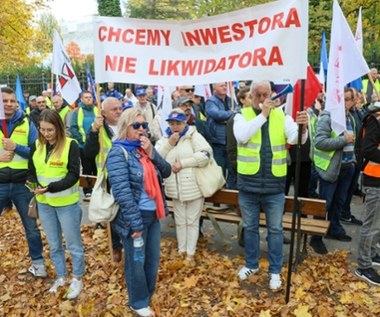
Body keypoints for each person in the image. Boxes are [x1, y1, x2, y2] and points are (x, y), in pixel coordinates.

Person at [233, 81, 308, 290]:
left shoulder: (282, 116)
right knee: (250, 228)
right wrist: (263, 116)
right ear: (251, 95)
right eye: (258, 94)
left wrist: (304, 128)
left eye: (266, 94)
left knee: (275, 230)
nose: (262, 98)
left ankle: (275, 270)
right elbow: (242, 135)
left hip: (274, 186)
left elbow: (296, 138)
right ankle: (251, 264)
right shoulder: (242, 115)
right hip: (248, 185)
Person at [106, 108, 171, 317]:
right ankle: (138, 301)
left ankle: (147, 294)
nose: (142, 129)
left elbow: (167, 171)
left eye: (144, 125)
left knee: (152, 259)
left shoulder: (145, 149)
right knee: (136, 261)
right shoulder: (118, 152)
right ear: (125, 127)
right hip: (135, 217)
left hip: (153, 214)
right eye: (137, 125)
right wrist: (134, 224)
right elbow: (122, 191)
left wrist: (152, 153)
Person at [27, 109, 84, 298]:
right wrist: (31, 182)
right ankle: (61, 276)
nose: (46, 134)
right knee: (54, 244)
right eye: (42, 129)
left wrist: (50, 187)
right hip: (44, 203)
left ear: (58, 127)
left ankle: (77, 278)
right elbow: (32, 170)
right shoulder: (37, 145)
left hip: (66, 203)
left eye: (50, 130)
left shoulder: (70, 145)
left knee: (73, 244)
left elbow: (74, 175)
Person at [0, 87, 46, 277]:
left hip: (22, 184)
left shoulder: (27, 122)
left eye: (12, 101)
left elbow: (37, 151)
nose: (9, 104)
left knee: (31, 227)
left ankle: (38, 264)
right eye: (5, 101)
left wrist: (16, 147)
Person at [156, 108, 212, 261]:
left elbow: (206, 154)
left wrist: (183, 163)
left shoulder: (193, 135)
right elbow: (157, 158)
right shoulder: (165, 138)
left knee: (192, 221)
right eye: (172, 123)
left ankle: (190, 254)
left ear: (185, 122)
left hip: (193, 186)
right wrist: (169, 143)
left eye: (178, 123)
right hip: (175, 188)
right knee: (180, 221)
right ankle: (182, 251)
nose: (175, 127)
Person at [310, 88, 357, 254]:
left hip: (346, 167)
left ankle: (333, 229)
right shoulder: (327, 116)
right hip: (330, 169)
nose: (345, 102)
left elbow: (354, 142)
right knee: (325, 204)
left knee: (339, 202)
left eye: (348, 99)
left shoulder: (350, 117)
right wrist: (343, 140)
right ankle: (316, 237)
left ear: (353, 101)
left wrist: (352, 162)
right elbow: (320, 142)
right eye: (342, 99)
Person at [83, 97, 124, 262]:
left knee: (126, 210)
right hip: (108, 176)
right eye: (114, 109)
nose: (118, 112)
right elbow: (88, 152)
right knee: (112, 213)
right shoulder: (99, 129)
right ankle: (115, 246)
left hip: (126, 174)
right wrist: (93, 130)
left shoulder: (126, 124)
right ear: (104, 112)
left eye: (120, 108)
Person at [354, 107, 380, 285]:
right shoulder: (374, 119)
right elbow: (367, 150)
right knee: (370, 225)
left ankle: (371, 254)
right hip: (374, 179)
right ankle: (363, 265)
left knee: (377, 223)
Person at [70, 91, 99, 198]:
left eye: (90, 97)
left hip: (97, 145)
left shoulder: (97, 110)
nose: (88, 99)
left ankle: (97, 188)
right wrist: (81, 140)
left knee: (97, 167)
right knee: (87, 168)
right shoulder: (77, 111)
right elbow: (73, 127)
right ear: (81, 99)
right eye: (86, 97)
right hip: (83, 146)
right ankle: (87, 190)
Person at [206, 82, 234, 188]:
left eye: (225, 85)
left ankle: (231, 195)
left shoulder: (230, 100)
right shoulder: (210, 101)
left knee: (232, 169)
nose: (224, 87)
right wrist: (230, 114)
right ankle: (218, 199)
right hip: (217, 141)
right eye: (221, 85)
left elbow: (238, 112)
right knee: (219, 170)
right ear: (214, 89)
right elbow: (216, 115)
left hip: (230, 140)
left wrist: (227, 117)